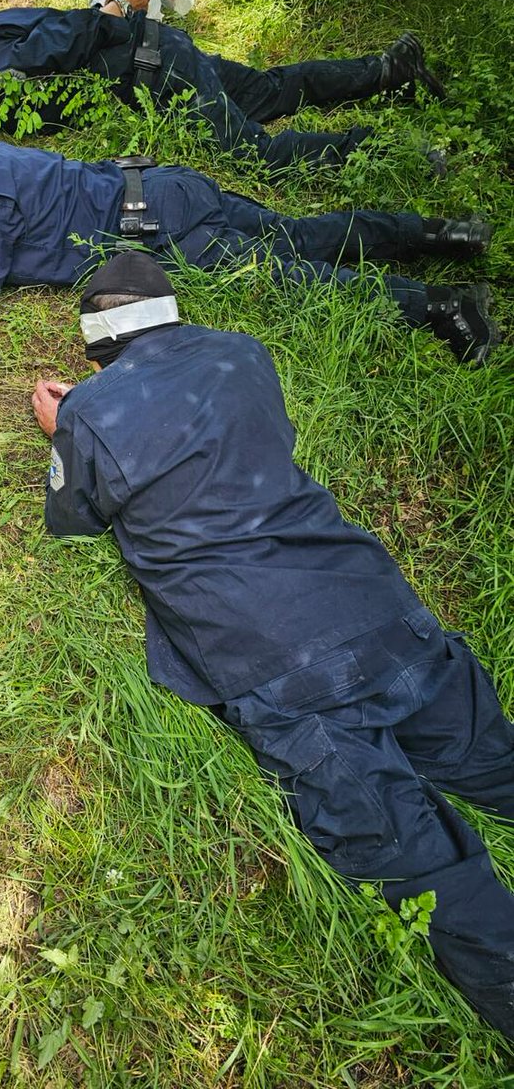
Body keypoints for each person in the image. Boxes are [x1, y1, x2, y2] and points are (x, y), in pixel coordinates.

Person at [30, 250, 514, 1039]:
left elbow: (74, 518)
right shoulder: (242, 352)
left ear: (97, 350)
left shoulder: (91, 412)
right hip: (378, 611)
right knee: (494, 760)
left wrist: (67, 427)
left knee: (415, 860)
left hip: (275, 660)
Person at [0, 125, 498, 364]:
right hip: (165, 186)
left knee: (291, 275)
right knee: (300, 235)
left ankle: (442, 307)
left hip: (167, 232)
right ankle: (439, 232)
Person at [0, 0, 446, 174]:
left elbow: (53, 46)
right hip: (159, 47)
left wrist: (111, 11)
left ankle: (393, 152)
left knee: (256, 154)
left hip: (160, 72)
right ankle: (387, 70)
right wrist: (111, 11)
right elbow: (54, 32)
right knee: (272, 90)